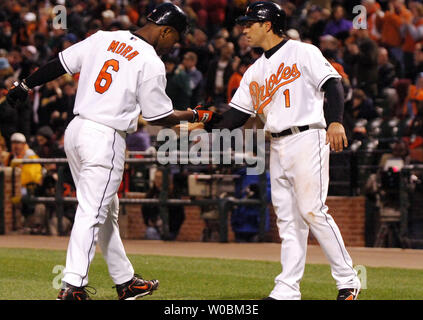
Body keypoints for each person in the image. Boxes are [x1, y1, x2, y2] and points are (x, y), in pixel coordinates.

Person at [6, 3, 219, 300]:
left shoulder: (104, 37)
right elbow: (159, 116)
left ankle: (125, 281)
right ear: (166, 30)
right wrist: (196, 115)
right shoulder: (150, 61)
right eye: (176, 38)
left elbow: (60, 63)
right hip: (104, 138)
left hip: (77, 131)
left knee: (106, 211)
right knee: (92, 211)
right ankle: (73, 286)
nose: (175, 45)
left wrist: (25, 84)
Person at [188, 2, 361, 300]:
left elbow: (333, 84)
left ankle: (348, 279)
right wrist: (204, 126)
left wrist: (335, 122)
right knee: (288, 220)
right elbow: (235, 118)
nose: (244, 29)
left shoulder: (303, 51)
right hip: (277, 144)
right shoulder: (255, 70)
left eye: (250, 23)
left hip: (308, 137)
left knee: (312, 210)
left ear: (267, 25)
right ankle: (287, 288)